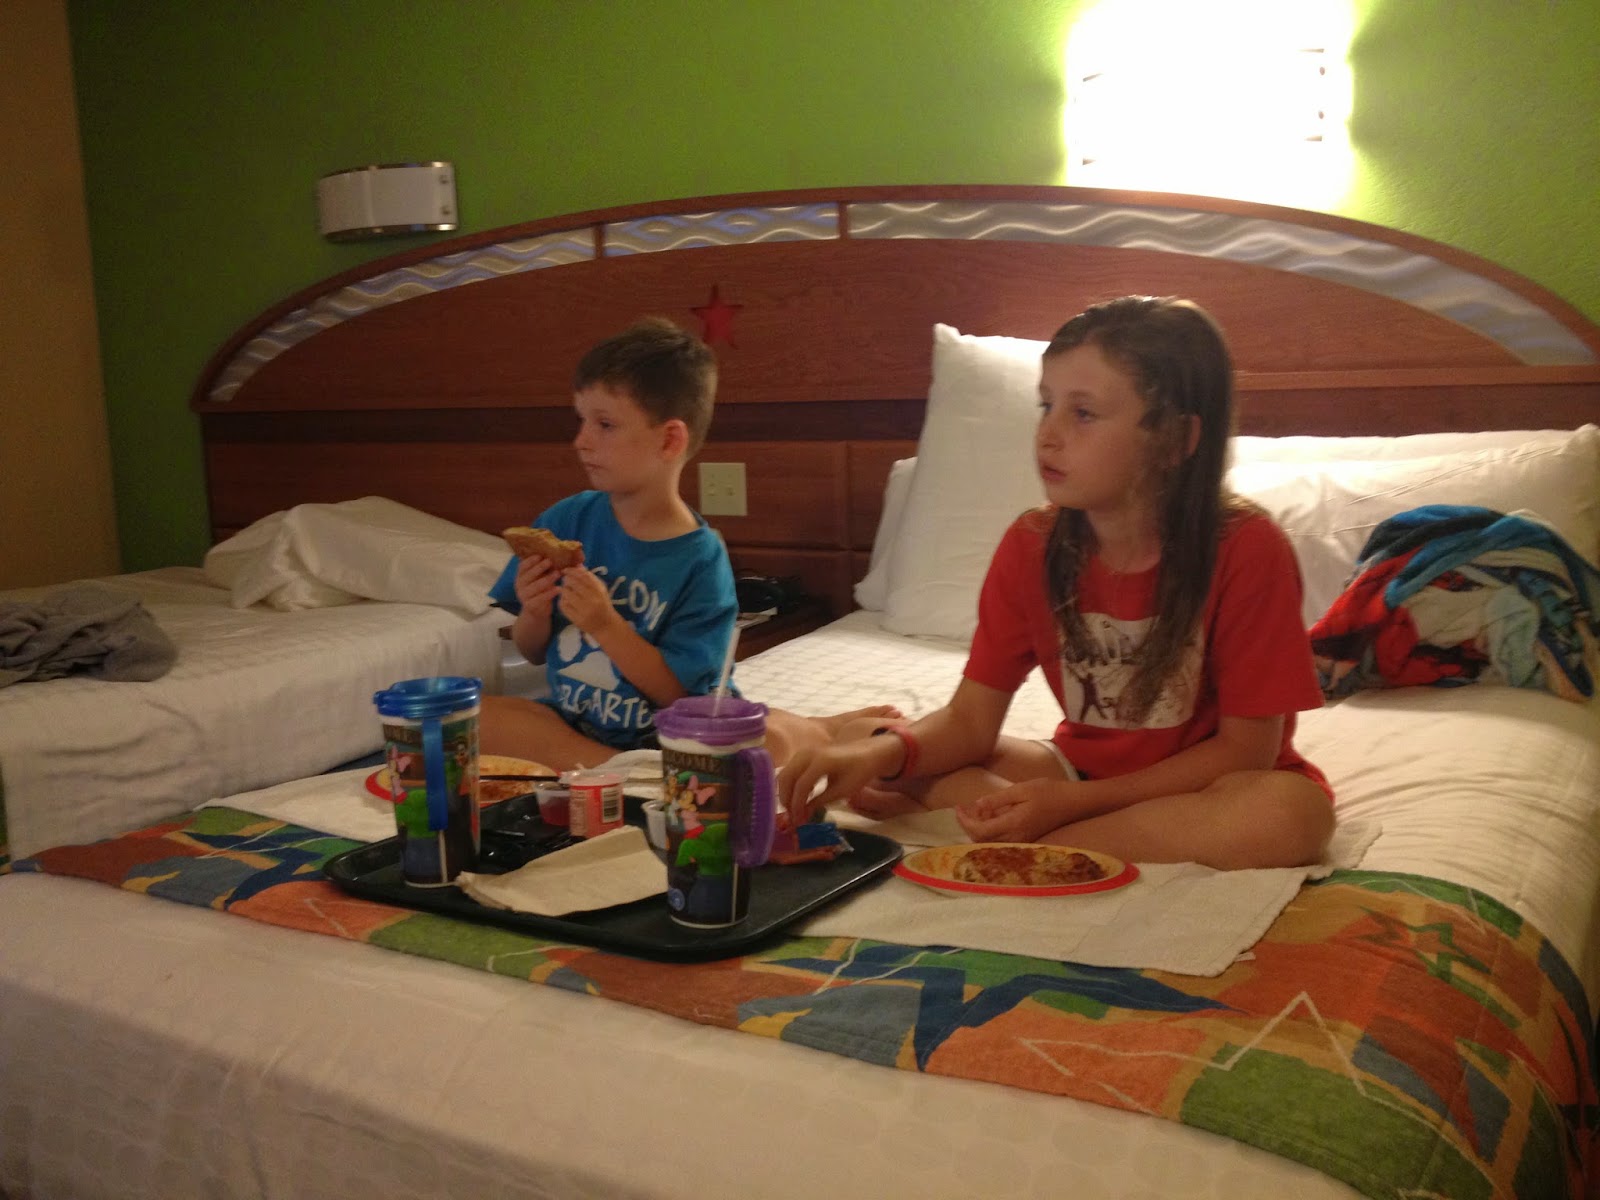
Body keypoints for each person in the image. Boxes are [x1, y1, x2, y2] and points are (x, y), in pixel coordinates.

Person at [777, 296, 1335, 870]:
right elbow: (970, 723)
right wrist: (883, 755)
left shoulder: (1246, 548)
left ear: (1175, 439)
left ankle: (1035, 837)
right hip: (1074, 772)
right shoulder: (1032, 546)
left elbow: (1246, 752)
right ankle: (1039, 831)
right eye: (1047, 405)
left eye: (1083, 413)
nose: (1048, 434)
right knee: (873, 738)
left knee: (1291, 817)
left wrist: (1070, 805)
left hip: (1201, 787)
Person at [481, 317, 889, 771]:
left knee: (763, 744)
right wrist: (535, 613)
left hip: (680, 733)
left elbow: (679, 694)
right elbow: (533, 651)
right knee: (469, 718)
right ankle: (626, 769)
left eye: (605, 424)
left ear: (670, 439)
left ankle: (820, 729)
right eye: (582, 420)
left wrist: (606, 625)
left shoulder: (700, 558)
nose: (581, 441)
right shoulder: (566, 521)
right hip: (577, 725)